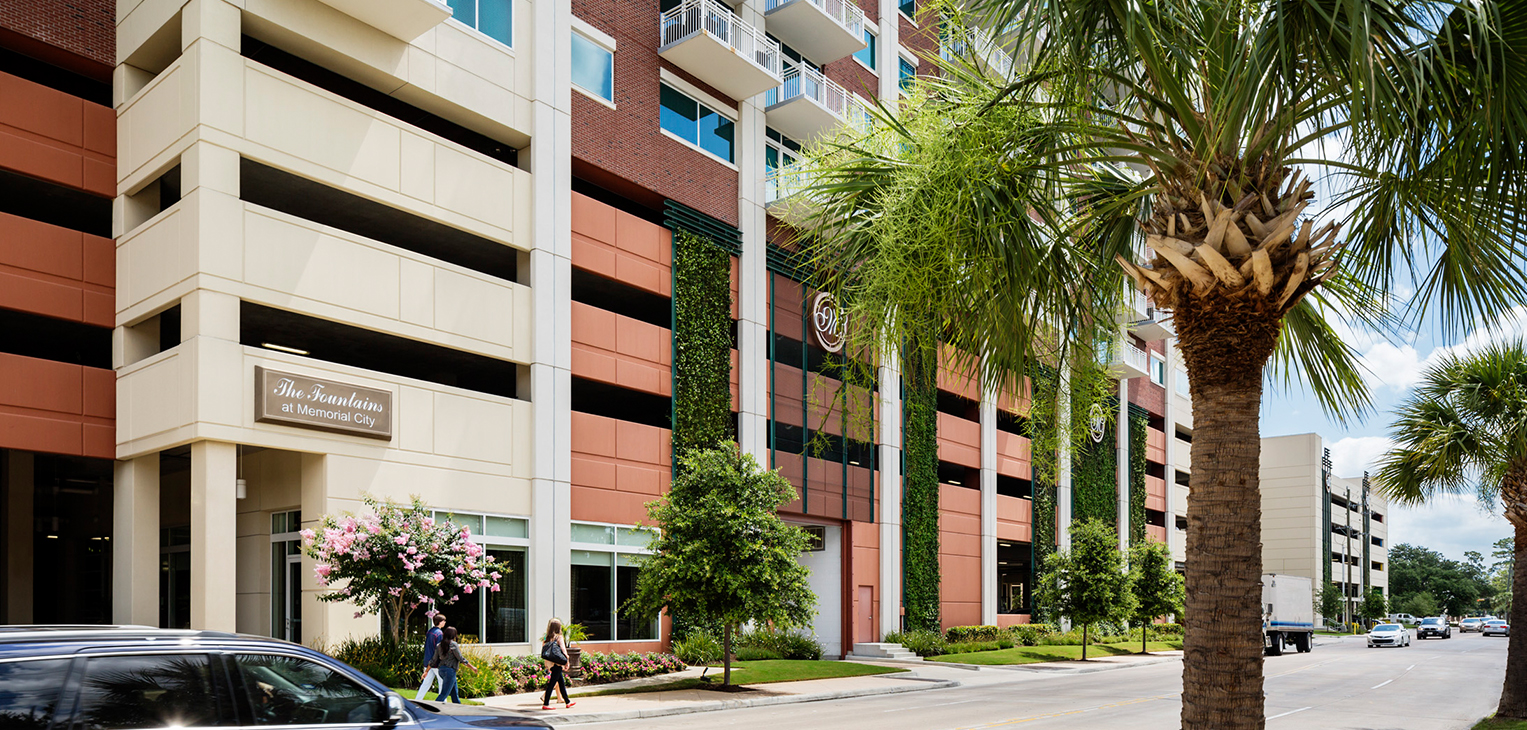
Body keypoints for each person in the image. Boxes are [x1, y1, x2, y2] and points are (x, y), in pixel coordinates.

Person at [433, 626, 475, 704]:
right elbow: (461, 659)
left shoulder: (439, 645)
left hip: (441, 670)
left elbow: (434, 660)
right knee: (443, 694)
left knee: (454, 694)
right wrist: (472, 667)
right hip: (450, 671)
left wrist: (427, 670)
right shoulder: (453, 644)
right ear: (453, 635)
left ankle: (459, 709)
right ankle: (430, 710)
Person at [541, 618, 575, 710]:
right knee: (552, 684)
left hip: (550, 663)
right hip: (557, 663)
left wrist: (546, 664)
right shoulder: (558, 637)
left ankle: (567, 701)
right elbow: (563, 650)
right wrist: (567, 660)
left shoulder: (546, 637)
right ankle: (546, 703)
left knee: (561, 682)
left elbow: (544, 650)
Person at [416, 614, 447, 699]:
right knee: (442, 683)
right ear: (440, 622)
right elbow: (439, 650)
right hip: (436, 663)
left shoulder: (430, 632)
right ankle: (442, 703)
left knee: (426, 684)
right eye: (444, 621)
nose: (445, 623)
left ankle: (417, 700)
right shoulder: (439, 633)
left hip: (427, 661)